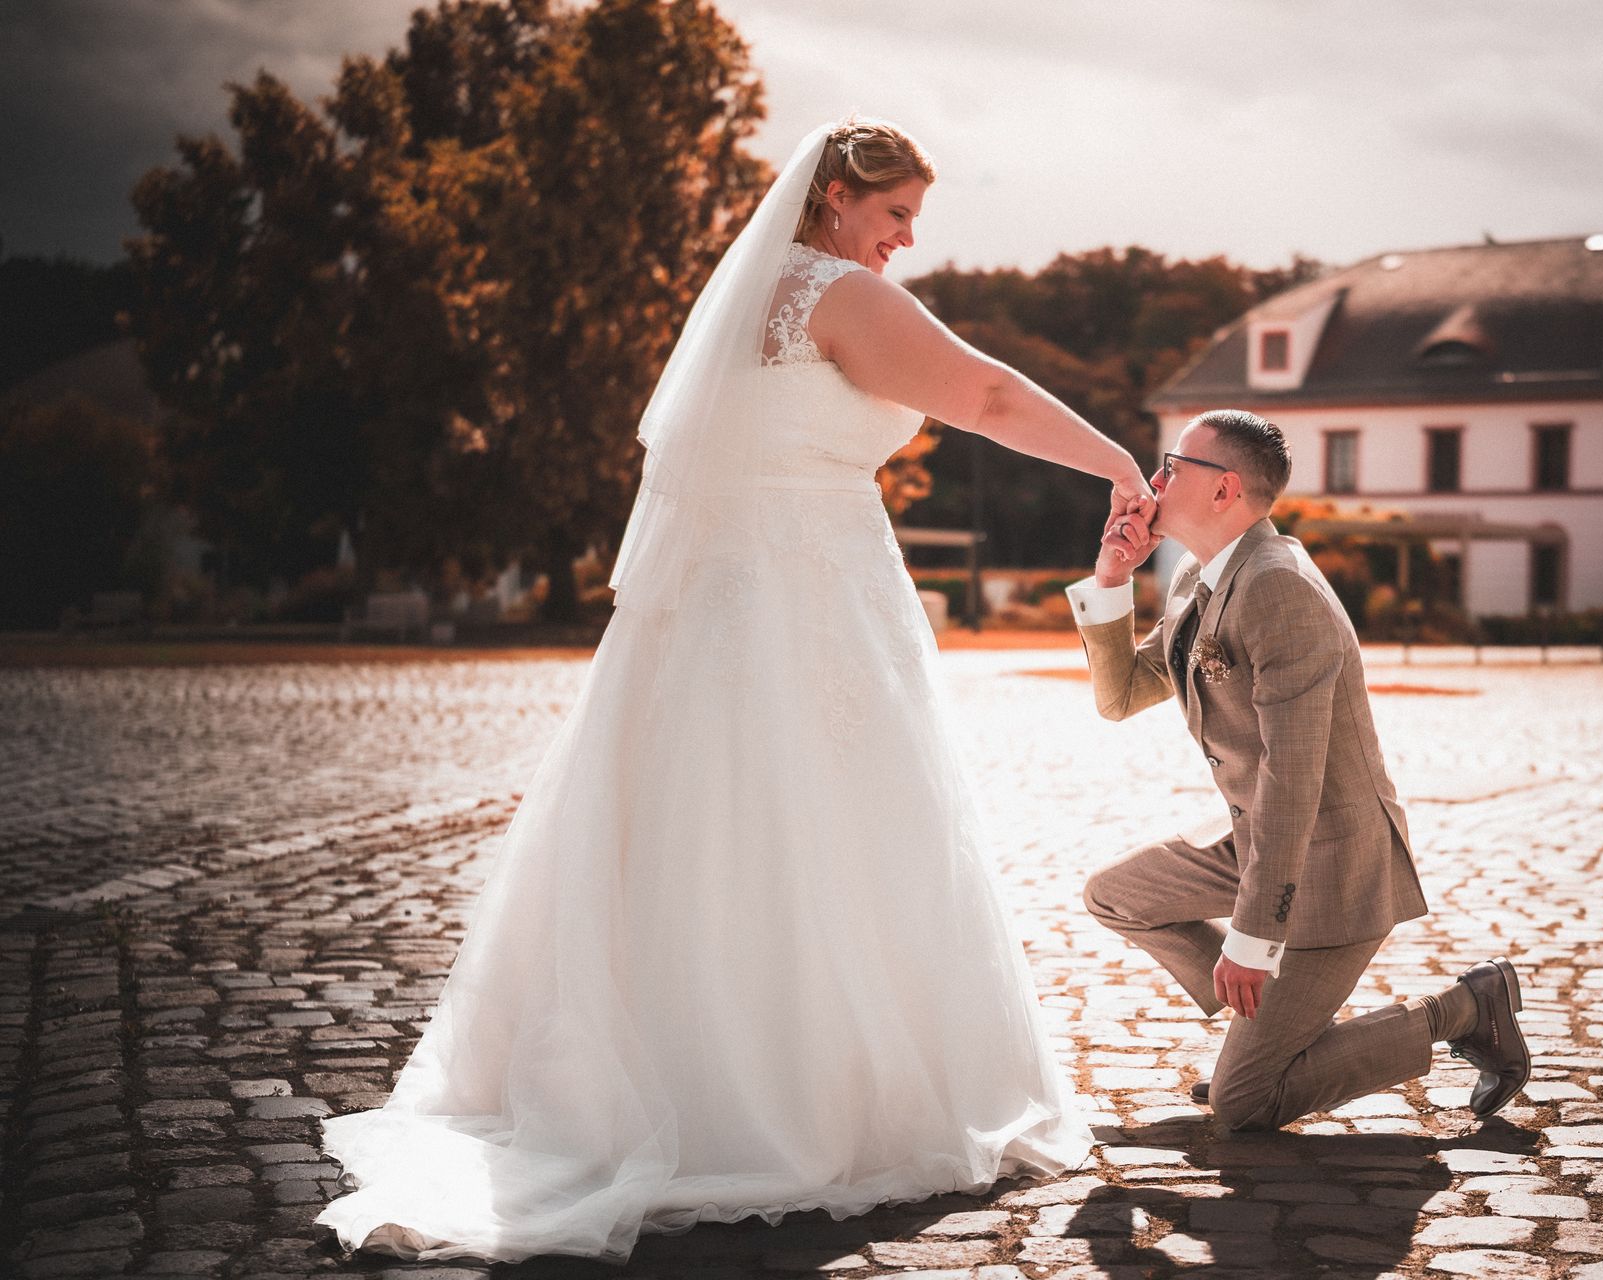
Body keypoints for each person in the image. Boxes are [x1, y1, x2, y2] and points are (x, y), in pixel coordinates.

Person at [314, 118, 1137, 1263]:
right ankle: (801, 1096)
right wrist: (1119, 464)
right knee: (826, 824)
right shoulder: (840, 296)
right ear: (838, 197)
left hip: (714, 605)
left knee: (704, 830)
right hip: (813, 595)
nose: (903, 240)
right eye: (896, 213)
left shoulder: (747, 298)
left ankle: (685, 1071)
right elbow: (988, 398)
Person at [1068, 409, 1531, 1133]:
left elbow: (1294, 783)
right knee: (1115, 896)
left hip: (1334, 869)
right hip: (1254, 845)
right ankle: (1266, 1026)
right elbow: (1121, 696)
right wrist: (1110, 577)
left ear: (1224, 491)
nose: (1153, 481)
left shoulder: (1278, 588)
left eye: (1171, 466)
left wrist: (1252, 944)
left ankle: (1468, 1008)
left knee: (1243, 1105)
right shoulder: (1203, 574)